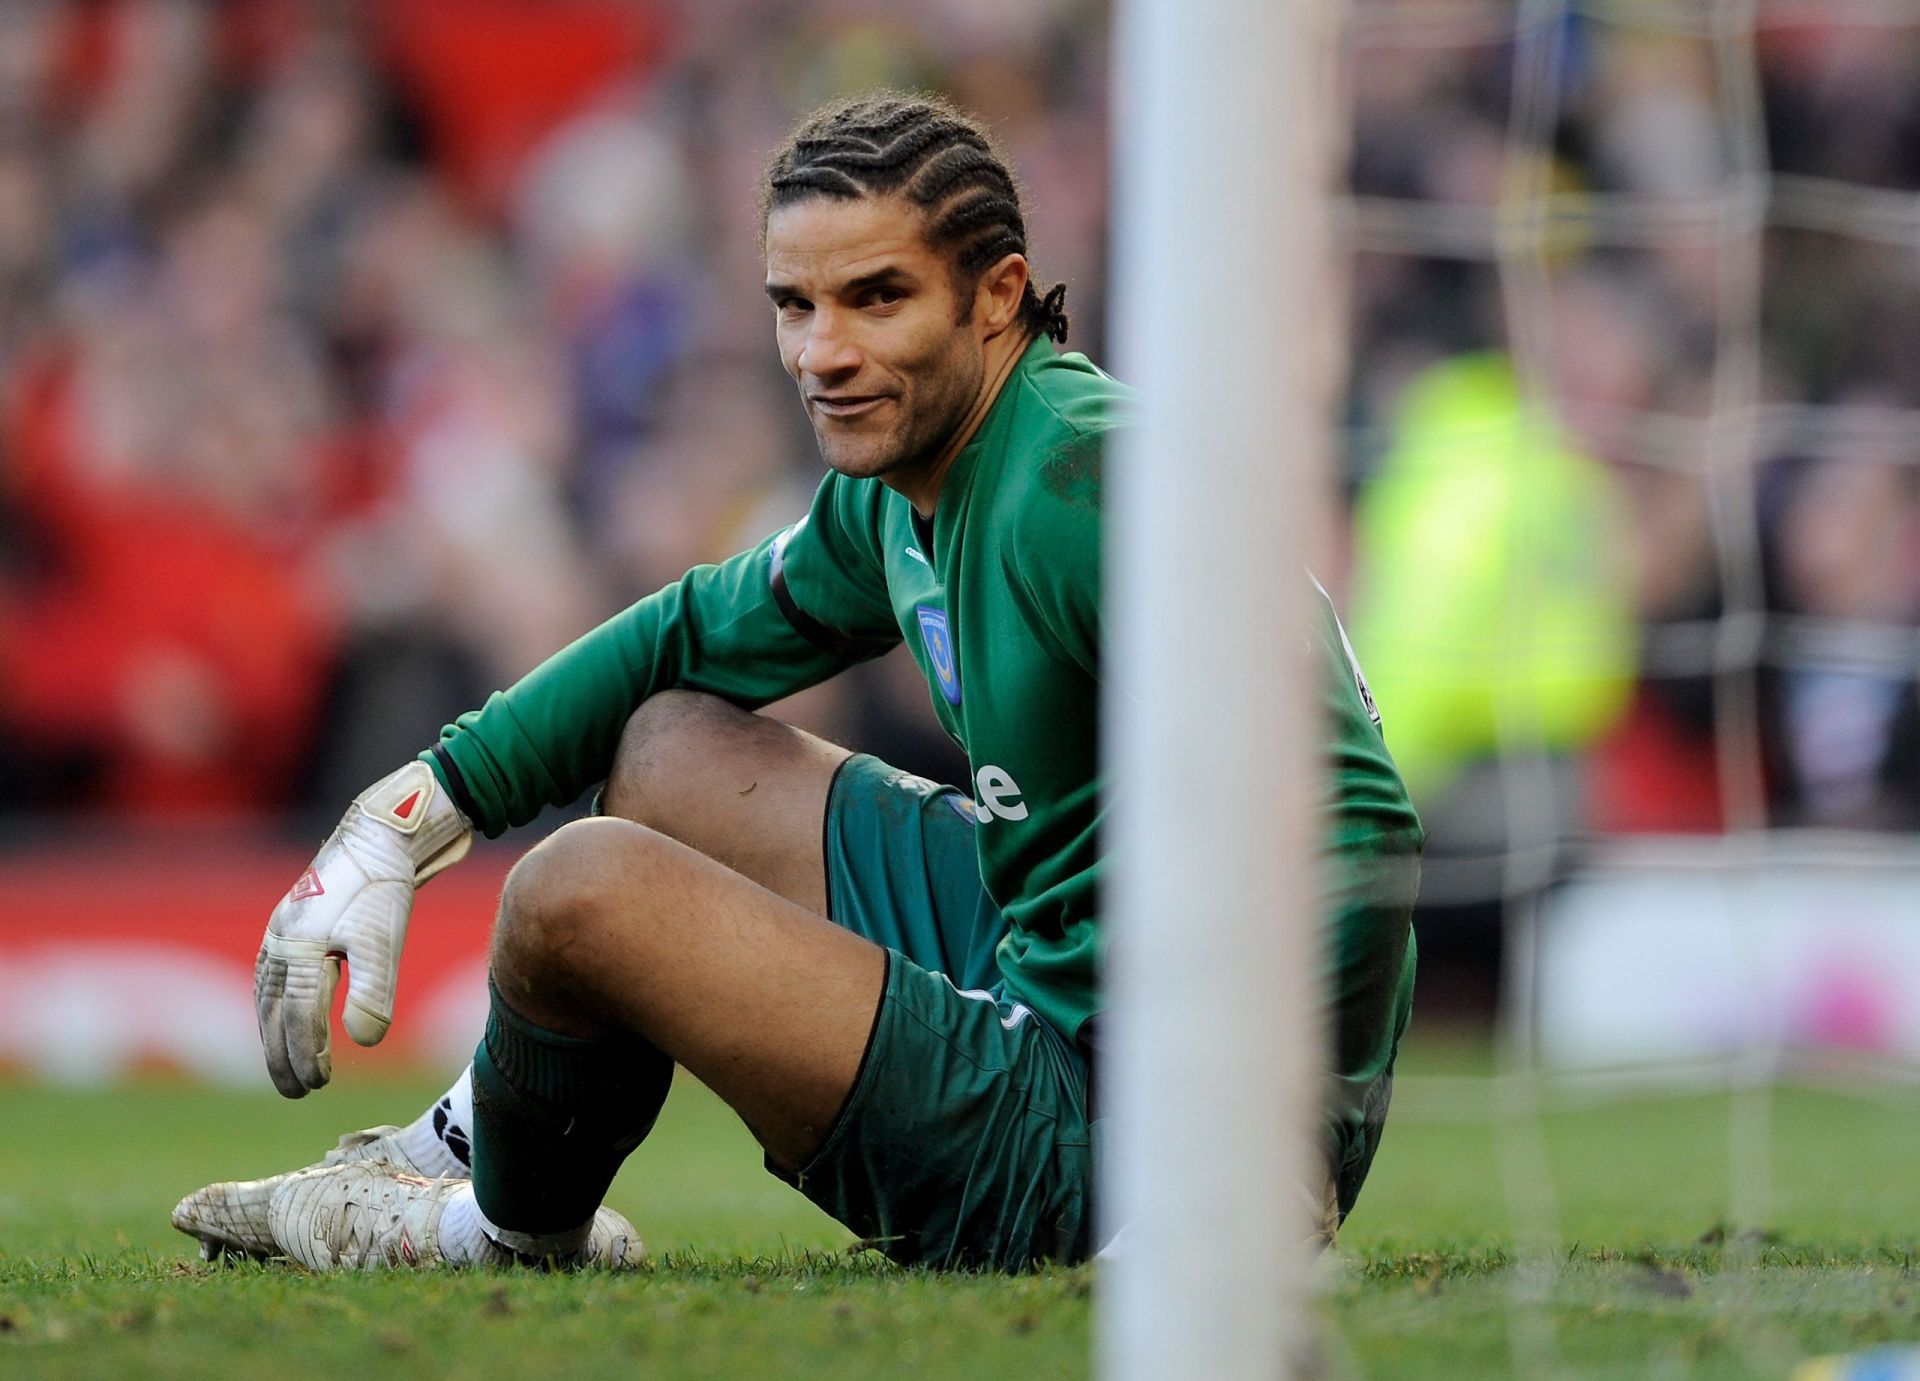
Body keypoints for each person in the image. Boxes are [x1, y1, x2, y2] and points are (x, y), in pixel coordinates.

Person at [172, 90, 1422, 1274]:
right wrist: (416, 810)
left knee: (573, 892)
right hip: (1046, 962)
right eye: (795, 305)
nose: (823, 353)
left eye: (876, 298)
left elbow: (1359, 823)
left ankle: (490, 1231)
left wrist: (1262, 1169)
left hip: (1143, 1122)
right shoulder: (913, 479)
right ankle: (459, 1150)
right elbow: (690, 635)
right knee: (668, 747)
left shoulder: (1078, 492)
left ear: (995, 299)